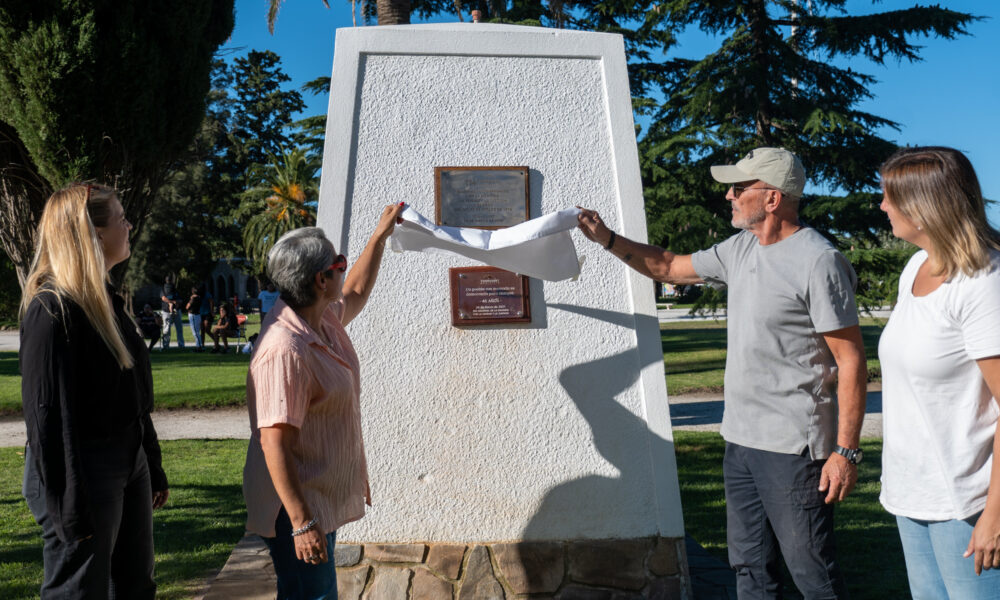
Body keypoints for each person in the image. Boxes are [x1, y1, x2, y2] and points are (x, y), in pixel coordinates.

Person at [578, 147, 866, 599]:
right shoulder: (741, 246)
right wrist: (608, 239)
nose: (729, 195)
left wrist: (845, 453)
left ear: (772, 199)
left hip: (793, 449)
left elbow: (851, 361)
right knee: (750, 569)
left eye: (739, 187)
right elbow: (669, 265)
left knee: (813, 575)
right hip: (740, 442)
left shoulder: (818, 260)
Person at [242, 204, 403, 599]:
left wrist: (380, 236)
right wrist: (301, 524)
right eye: (339, 263)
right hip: (295, 511)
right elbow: (273, 442)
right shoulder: (285, 348)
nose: (343, 270)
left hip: (317, 503)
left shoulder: (321, 319)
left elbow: (358, 290)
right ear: (320, 279)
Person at [19, 183, 169, 599]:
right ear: (94, 233)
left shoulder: (105, 302)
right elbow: (46, 417)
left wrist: (150, 463)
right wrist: (70, 508)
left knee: (136, 586)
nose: (130, 225)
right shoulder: (52, 310)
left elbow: (132, 394)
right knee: (79, 590)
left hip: (126, 457)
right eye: (121, 219)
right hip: (84, 470)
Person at [876, 146, 1000, 597]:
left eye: (890, 197)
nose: (883, 205)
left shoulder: (984, 281)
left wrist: (995, 514)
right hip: (913, 494)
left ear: (923, 209)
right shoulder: (915, 268)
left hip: (967, 502)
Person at [159, 275, 184, 349]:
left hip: (174, 310)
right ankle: (167, 346)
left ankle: (180, 345)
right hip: (167, 311)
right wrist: (172, 302)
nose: (169, 282)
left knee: (176, 329)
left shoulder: (173, 289)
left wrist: (174, 303)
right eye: (168, 281)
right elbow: (163, 298)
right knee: (168, 329)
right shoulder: (163, 288)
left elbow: (180, 300)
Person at [186, 286, 205, 352]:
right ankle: (198, 345)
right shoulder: (199, 298)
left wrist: (190, 300)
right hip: (198, 315)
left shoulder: (193, 299)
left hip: (193, 315)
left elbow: (187, 307)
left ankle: (199, 347)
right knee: (197, 331)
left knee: (195, 332)